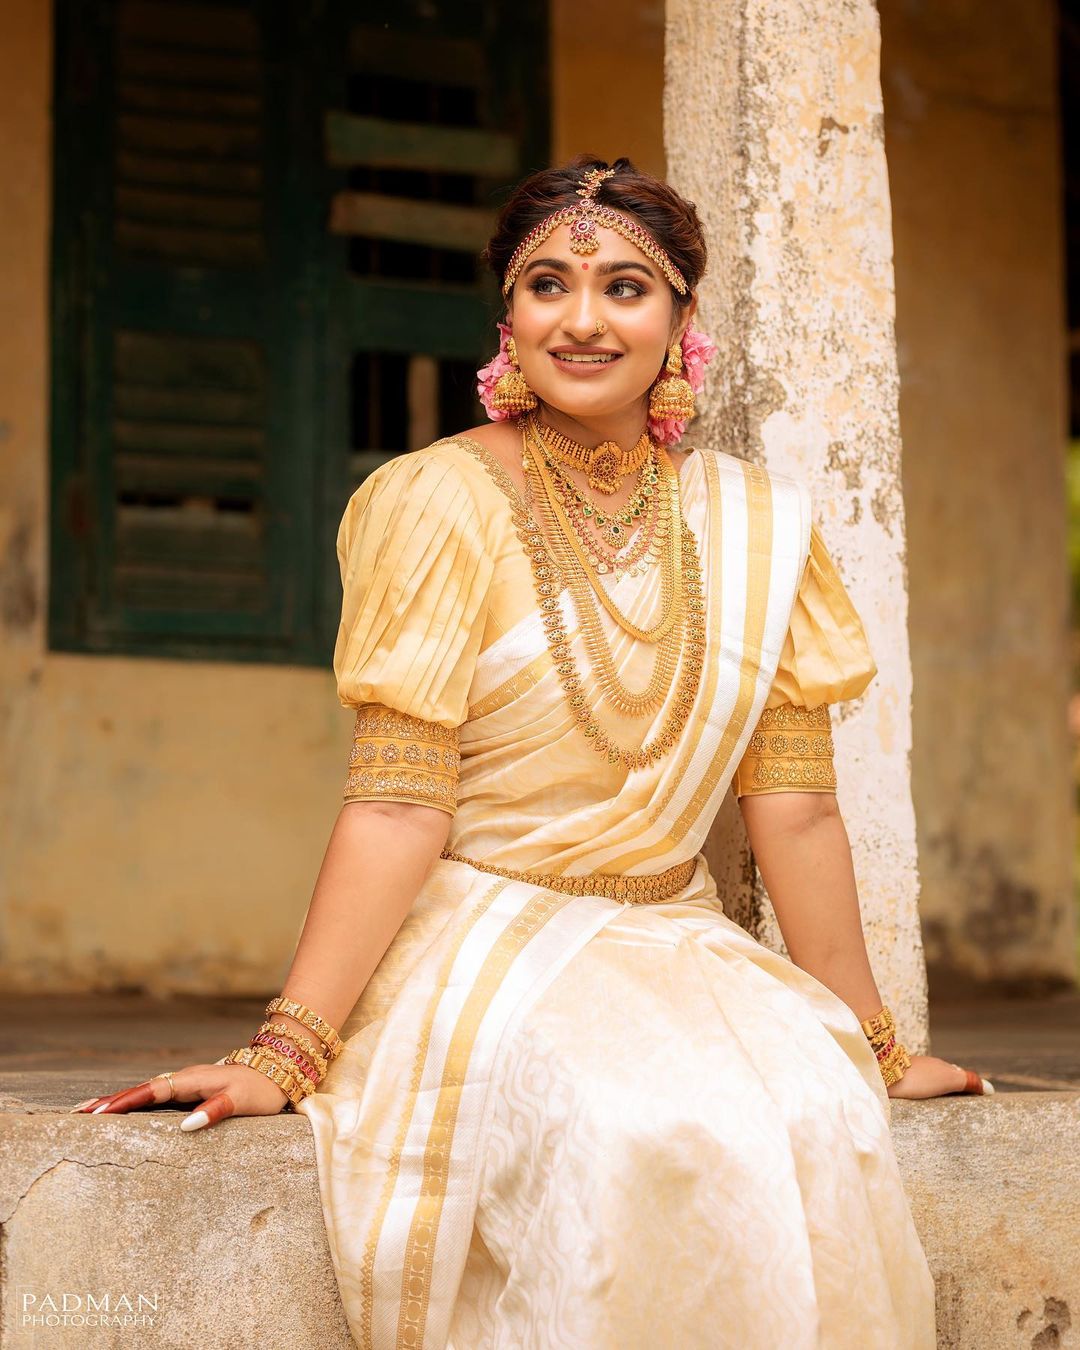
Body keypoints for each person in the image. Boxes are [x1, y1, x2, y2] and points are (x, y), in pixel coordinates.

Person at [72, 155, 992, 1349]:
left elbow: (798, 811)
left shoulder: (760, 530)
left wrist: (879, 1044)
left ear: (679, 323)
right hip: (487, 936)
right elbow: (399, 805)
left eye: (625, 287)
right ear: (508, 320)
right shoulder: (439, 501)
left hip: (684, 940)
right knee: (617, 1126)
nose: (584, 317)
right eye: (547, 284)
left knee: (814, 1108)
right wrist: (287, 1050)